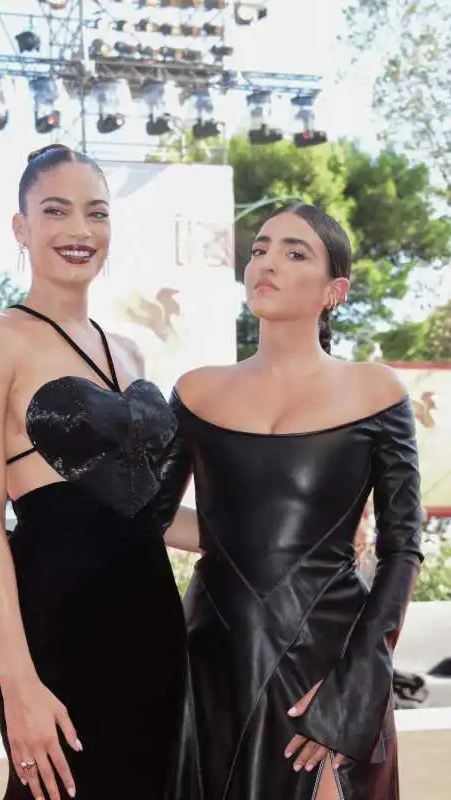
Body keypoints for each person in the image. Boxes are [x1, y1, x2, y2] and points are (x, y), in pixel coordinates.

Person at [0, 144, 188, 800]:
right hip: (56, 627)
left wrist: (303, 530)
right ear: (21, 228)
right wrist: (19, 683)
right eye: (56, 211)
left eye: (97, 213)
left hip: (153, 622)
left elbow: (155, 514)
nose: (80, 230)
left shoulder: (131, 352)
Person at [158, 204, 424, 799]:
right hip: (211, 659)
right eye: (260, 249)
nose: (267, 262)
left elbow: (402, 548)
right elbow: (152, 517)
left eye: (294, 252)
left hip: (327, 663)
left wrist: (355, 690)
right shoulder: (196, 390)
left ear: (335, 291)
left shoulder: (376, 390)